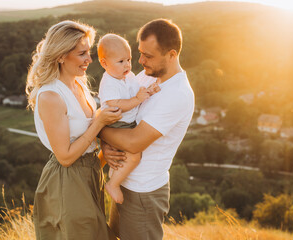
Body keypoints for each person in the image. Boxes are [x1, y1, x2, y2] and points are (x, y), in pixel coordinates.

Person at [26, 20, 122, 240]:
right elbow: (66, 157)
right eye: (82, 53)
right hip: (66, 180)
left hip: (90, 173)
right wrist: (98, 122)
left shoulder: (79, 84)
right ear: (61, 55)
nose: (89, 59)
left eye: (88, 52)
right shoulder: (51, 95)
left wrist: (103, 155)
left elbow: (85, 143)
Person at [99, 18, 195, 240]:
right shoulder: (146, 75)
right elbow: (113, 109)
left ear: (172, 54)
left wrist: (99, 129)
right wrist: (106, 142)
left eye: (148, 55)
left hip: (144, 193)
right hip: (125, 184)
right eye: (140, 52)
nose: (140, 60)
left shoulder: (177, 94)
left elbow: (133, 142)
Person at [97, 33, 159, 204]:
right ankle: (113, 184)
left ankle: (109, 176)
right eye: (121, 61)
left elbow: (137, 91)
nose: (127, 65)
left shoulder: (128, 76)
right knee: (134, 156)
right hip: (118, 124)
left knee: (122, 156)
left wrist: (148, 92)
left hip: (127, 124)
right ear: (104, 63)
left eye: (129, 59)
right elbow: (115, 103)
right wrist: (137, 100)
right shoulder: (109, 82)